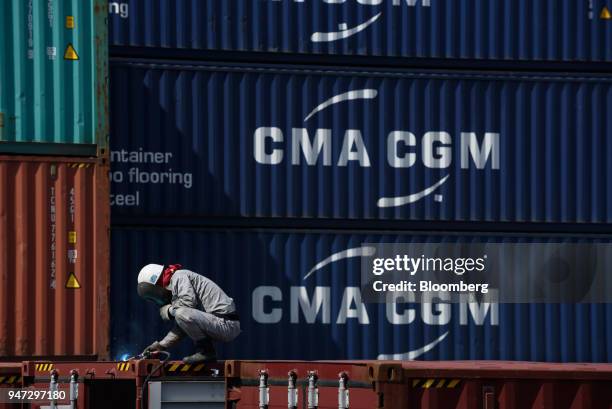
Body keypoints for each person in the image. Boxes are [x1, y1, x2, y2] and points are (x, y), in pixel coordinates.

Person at [136, 263, 241, 363]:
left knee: (181, 313)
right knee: (181, 315)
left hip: (226, 323)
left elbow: (187, 306)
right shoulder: (174, 286)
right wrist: (161, 345)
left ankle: (206, 352)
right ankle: (206, 351)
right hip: (220, 322)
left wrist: (169, 310)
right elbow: (184, 324)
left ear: (156, 281)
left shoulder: (178, 276)